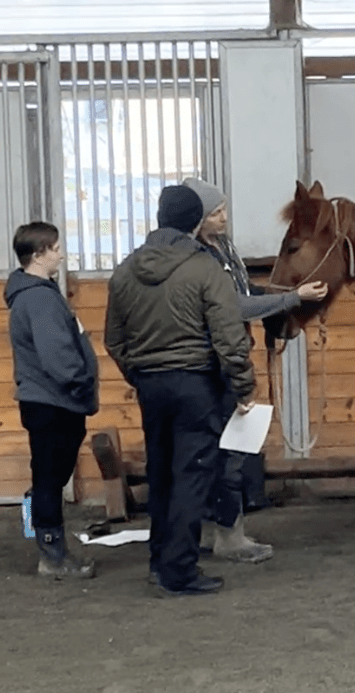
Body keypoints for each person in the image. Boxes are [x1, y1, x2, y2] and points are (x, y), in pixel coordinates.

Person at [104, 184, 256, 596]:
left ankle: (159, 560)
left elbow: (114, 341)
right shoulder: (204, 268)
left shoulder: (125, 270)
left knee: (162, 473)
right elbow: (229, 339)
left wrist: (139, 375)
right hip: (195, 384)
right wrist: (243, 387)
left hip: (151, 386)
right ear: (194, 221)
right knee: (192, 476)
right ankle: (180, 571)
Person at [183, 176, 328, 563]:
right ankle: (228, 533)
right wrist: (292, 298)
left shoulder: (223, 248)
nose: (225, 217)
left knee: (226, 450)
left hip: (226, 357)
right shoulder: (199, 258)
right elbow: (234, 306)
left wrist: (287, 298)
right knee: (227, 451)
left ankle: (217, 528)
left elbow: (245, 294)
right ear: (198, 217)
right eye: (216, 212)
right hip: (214, 363)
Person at [5, 222, 98, 580]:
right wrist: (79, 386)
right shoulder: (40, 298)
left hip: (48, 400)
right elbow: (57, 356)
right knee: (49, 479)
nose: (61, 253)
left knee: (48, 477)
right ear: (39, 253)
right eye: (56, 247)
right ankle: (52, 555)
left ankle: (50, 545)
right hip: (54, 402)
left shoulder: (35, 294)